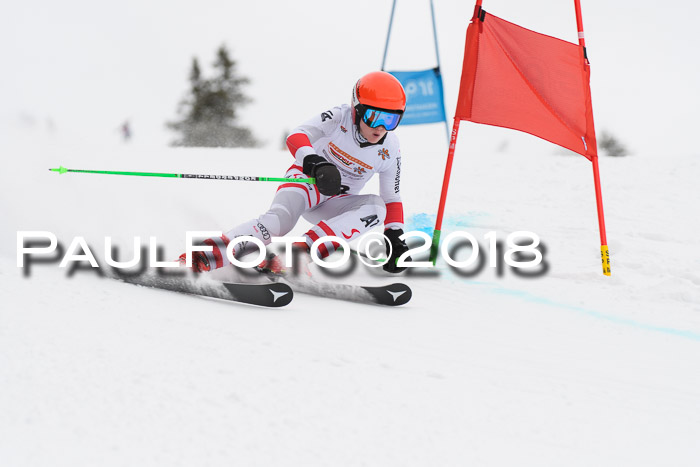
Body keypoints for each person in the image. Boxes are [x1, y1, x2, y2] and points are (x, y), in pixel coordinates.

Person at [181, 71, 410, 275]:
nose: (381, 127)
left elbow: (392, 198)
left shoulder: (389, 149)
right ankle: (200, 258)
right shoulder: (339, 117)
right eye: (374, 117)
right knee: (279, 222)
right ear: (357, 110)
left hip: (335, 202)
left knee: (377, 207)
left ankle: (299, 255)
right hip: (306, 183)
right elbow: (297, 136)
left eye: (391, 119)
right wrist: (316, 163)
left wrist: (394, 236)